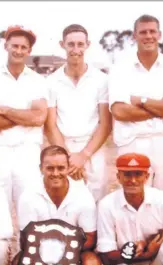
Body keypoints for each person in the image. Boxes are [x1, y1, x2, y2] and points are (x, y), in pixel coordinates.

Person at [108, 15, 163, 200]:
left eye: (152, 31)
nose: (148, 36)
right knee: (133, 200)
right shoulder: (119, 69)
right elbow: (120, 112)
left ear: (160, 34)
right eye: (143, 32)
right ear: (134, 36)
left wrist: (142, 100)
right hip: (132, 141)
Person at [14, 145, 101, 265]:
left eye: (61, 168)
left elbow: (91, 238)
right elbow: (26, 240)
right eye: (50, 168)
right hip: (40, 253)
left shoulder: (82, 194)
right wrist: (49, 252)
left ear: (68, 167)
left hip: (74, 252)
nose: (55, 173)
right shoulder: (29, 195)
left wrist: (63, 251)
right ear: (41, 169)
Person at [0, 25, 49, 226]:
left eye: (23, 47)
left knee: (29, 210)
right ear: (6, 46)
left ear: (29, 51)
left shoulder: (37, 81)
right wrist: (23, 115)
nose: (18, 51)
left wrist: (7, 110)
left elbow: (38, 118)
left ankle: (25, 256)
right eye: (14, 46)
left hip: (28, 152)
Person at [45, 24, 112, 202]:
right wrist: (68, 158)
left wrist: (84, 155)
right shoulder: (51, 81)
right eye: (71, 44)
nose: (76, 50)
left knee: (97, 202)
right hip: (63, 148)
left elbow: (105, 123)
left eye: (80, 44)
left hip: (93, 149)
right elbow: (50, 125)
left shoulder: (101, 80)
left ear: (87, 45)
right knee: (67, 204)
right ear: (62, 45)